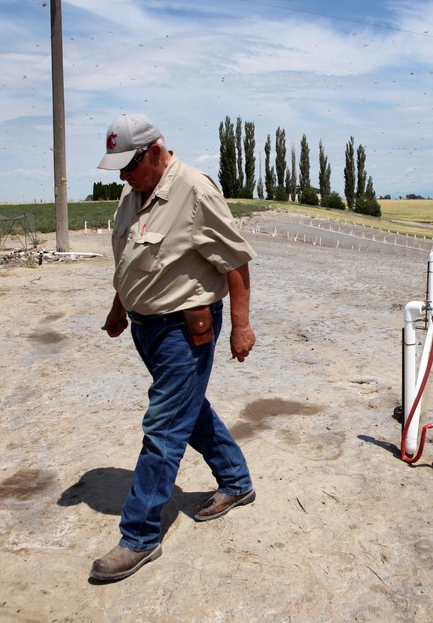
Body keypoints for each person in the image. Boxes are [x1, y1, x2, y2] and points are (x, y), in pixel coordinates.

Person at [90, 113, 257, 582]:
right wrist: (119, 307)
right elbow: (131, 259)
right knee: (188, 411)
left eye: (128, 166)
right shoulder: (132, 192)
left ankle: (139, 536)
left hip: (186, 330)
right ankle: (237, 482)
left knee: (163, 427)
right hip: (146, 329)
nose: (122, 176)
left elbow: (236, 264)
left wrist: (240, 327)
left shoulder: (195, 190)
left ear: (156, 152)